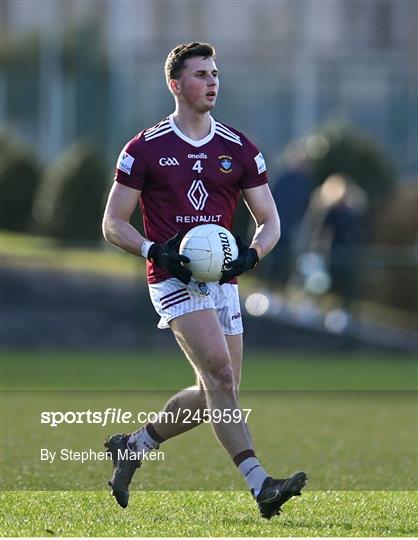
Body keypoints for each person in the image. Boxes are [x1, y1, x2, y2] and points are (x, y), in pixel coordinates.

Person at [102, 42, 307, 519]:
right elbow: (113, 223)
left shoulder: (238, 148)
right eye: (200, 74)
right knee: (219, 375)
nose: (212, 81)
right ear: (176, 85)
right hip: (171, 279)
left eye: (215, 74)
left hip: (223, 282)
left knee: (218, 390)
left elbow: (270, 222)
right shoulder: (145, 148)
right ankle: (262, 485)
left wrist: (250, 257)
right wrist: (156, 250)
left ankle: (133, 445)